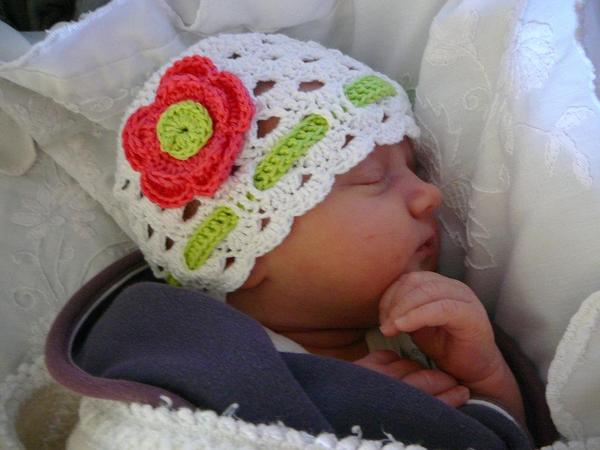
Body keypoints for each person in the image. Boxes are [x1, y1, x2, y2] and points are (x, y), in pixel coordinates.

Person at [45, 32, 544, 449]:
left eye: (414, 168)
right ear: (248, 249)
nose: (429, 194)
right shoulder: (184, 369)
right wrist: (345, 412)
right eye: (373, 178)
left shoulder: (427, 340)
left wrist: (488, 379)